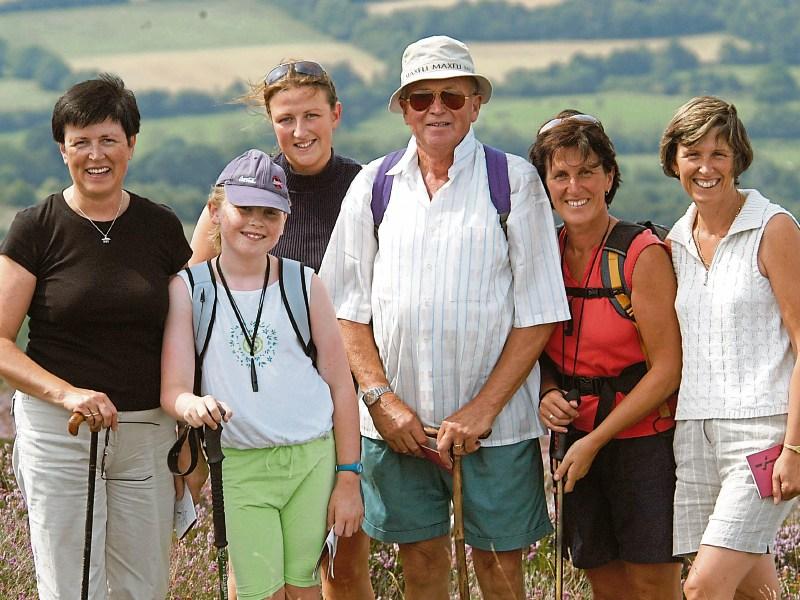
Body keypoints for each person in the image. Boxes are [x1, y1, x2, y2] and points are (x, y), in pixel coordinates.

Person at [319, 35, 569, 600]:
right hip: (398, 424)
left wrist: (482, 411)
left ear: (476, 104)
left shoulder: (513, 183)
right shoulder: (374, 186)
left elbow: (539, 313)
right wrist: (382, 402)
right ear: (403, 108)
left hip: (498, 428)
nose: (437, 109)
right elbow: (345, 309)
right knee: (422, 566)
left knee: (501, 572)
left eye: (452, 97)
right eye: (421, 97)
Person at [0, 74, 192, 599]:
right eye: (80, 141)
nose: (95, 154)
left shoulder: (161, 227)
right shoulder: (35, 228)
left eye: (108, 139)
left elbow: (192, 324)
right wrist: (69, 394)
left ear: (132, 143)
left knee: (144, 589)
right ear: (62, 149)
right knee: (70, 589)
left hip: (146, 436)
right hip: (62, 432)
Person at [188, 60, 373, 600]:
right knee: (256, 576)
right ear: (271, 122)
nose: (300, 131)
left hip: (345, 398)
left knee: (344, 565)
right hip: (253, 416)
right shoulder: (243, 191)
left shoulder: (364, 188)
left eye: (312, 115)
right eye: (285, 118)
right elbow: (195, 283)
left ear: (335, 115)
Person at [530, 110, 683, 599]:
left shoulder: (641, 254)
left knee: (652, 582)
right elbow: (537, 348)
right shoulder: (544, 255)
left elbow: (667, 369)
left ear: (610, 177)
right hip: (574, 441)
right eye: (560, 174)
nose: (574, 186)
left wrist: (595, 441)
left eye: (587, 171)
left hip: (643, 443)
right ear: (546, 184)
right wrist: (548, 391)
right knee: (606, 584)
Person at [659, 96, 800, 599]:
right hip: (695, 437)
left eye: (719, 154)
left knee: (701, 589)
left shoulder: (774, 228)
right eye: (692, 153)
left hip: (763, 437)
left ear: (737, 158)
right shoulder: (675, 241)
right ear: (673, 160)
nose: (705, 167)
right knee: (754, 592)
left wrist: (795, 448)